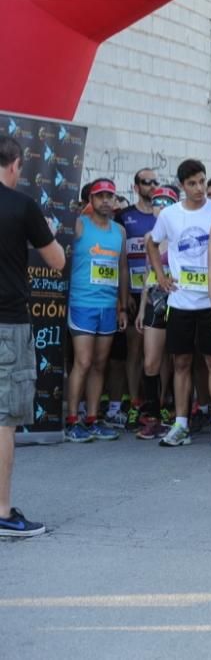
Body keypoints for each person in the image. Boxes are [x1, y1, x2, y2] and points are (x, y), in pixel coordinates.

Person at [0, 134, 66, 537]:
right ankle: (2, 511)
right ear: (15, 165)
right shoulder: (21, 205)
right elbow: (56, 260)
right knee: (3, 420)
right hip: (7, 322)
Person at [147, 159, 211, 447]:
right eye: (192, 183)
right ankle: (180, 423)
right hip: (180, 301)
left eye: (202, 181)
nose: (199, 188)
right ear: (182, 186)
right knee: (180, 362)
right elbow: (151, 242)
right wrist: (161, 276)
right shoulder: (169, 215)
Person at [64, 178, 129, 442]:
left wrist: (123, 306)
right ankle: (72, 420)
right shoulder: (80, 225)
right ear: (90, 200)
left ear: (114, 201)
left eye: (109, 196)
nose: (105, 200)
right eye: (99, 196)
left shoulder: (119, 232)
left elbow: (122, 269)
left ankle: (92, 418)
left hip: (107, 306)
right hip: (82, 304)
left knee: (100, 364)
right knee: (83, 362)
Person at [113, 168, 161, 430]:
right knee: (134, 350)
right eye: (146, 182)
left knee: (159, 355)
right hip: (133, 292)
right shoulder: (125, 217)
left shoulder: (164, 216)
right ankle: (134, 403)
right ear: (136, 187)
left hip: (158, 291)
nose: (152, 186)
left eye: (156, 182)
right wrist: (124, 297)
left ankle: (158, 405)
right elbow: (120, 259)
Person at [133, 186, 177, 439]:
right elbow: (148, 278)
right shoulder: (151, 236)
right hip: (155, 301)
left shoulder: (181, 234)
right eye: (157, 202)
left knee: (177, 361)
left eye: (167, 202)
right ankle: (151, 415)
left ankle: (173, 410)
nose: (161, 207)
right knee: (151, 360)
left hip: (180, 299)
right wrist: (141, 309)